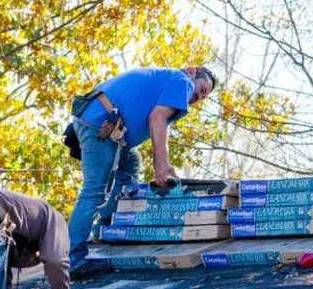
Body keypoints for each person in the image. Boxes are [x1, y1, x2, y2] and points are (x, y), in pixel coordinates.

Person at [66, 65, 217, 273]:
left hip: (111, 132)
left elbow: (158, 120)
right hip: (100, 127)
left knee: (130, 164)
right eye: (201, 90)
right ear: (192, 71)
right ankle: (72, 260)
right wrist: (161, 165)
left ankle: (109, 229)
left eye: (202, 98)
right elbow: (157, 118)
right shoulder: (182, 81)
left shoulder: (166, 80)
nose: (197, 98)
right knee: (95, 191)